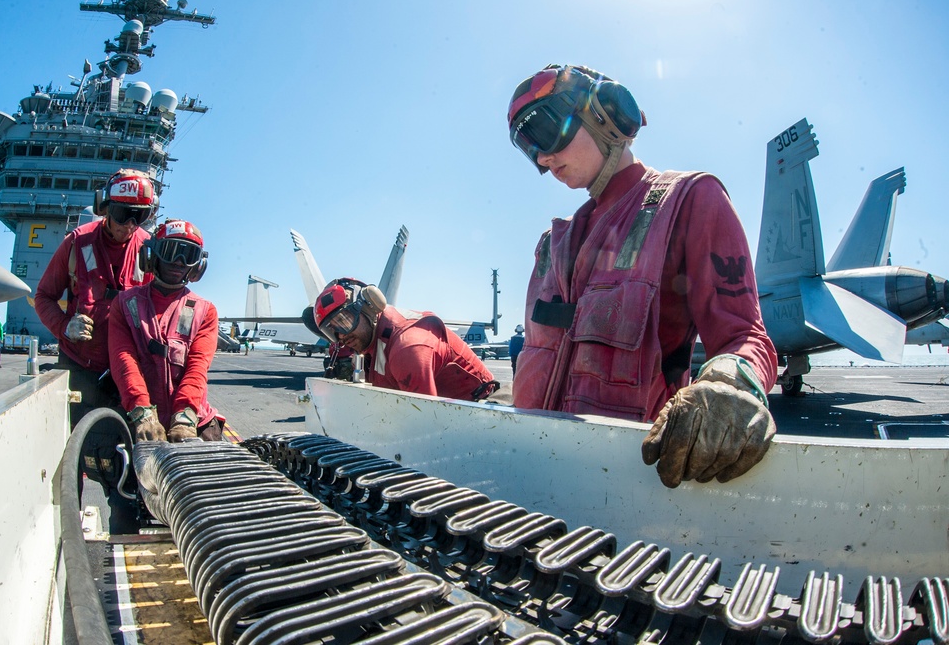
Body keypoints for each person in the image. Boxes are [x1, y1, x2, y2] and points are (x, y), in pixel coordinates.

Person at [507, 64, 778, 488]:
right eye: (528, 148)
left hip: (634, 487)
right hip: (533, 474)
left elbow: (745, 334)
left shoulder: (690, 202)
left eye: (544, 131)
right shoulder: (551, 244)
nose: (542, 158)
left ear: (605, 113)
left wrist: (729, 381)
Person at [34, 169, 156, 426]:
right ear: (105, 207)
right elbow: (44, 297)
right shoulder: (77, 243)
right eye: (123, 215)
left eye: (140, 216)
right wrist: (65, 327)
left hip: (128, 370)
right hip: (80, 366)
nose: (130, 225)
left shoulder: (148, 249)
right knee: (77, 440)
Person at [108, 219, 224, 443]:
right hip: (138, 418)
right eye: (171, 252)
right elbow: (124, 360)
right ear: (152, 256)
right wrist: (142, 412)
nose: (179, 262)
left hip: (192, 421)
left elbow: (198, 366)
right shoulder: (124, 304)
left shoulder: (205, 311)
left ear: (197, 265)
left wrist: (185, 414)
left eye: (188, 255)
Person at [313, 278, 499, 400]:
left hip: (484, 413)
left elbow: (425, 423)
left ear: (369, 308)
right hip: (449, 414)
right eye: (333, 332)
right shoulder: (373, 343)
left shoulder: (407, 348)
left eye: (344, 322)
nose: (342, 336)